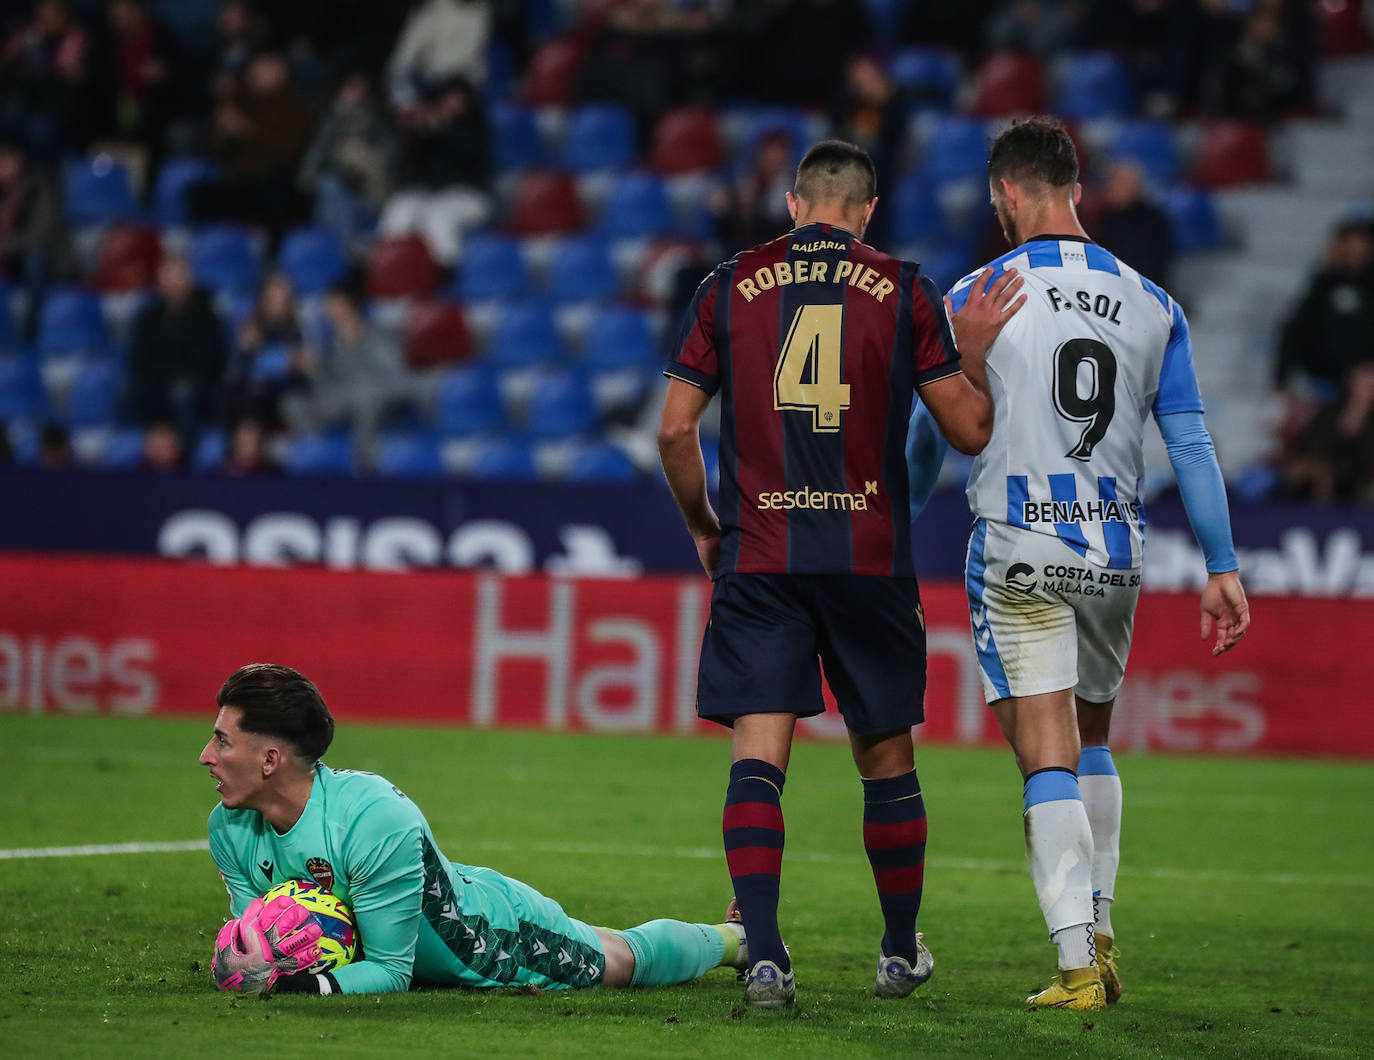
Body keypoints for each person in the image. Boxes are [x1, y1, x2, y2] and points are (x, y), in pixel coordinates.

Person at [657, 139, 1023, 1009]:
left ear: (792, 204)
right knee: (886, 760)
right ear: (865, 211)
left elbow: (674, 431)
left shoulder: (727, 284)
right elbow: (970, 431)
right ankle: (899, 951)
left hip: (764, 553)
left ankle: (767, 953)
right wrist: (970, 353)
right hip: (869, 556)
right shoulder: (904, 287)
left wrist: (708, 527)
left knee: (759, 756)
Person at [905, 117, 1251, 1011]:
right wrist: (1221, 562)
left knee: (1044, 752)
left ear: (1008, 196)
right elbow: (1191, 440)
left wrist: (892, 534)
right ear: (1077, 190)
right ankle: (1099, 925)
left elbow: (925, 441)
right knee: (1093, 739)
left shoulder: (975, 294)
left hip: (1020, 549)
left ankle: (1074, 965)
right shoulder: (1153, 302)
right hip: (1114, 554)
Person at [201, 663, 750, 996]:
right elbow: (256, 936)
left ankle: (736, 941)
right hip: (422, 941)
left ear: (270, 758)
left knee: (619, 961)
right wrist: (251, 963)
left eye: (223, 740)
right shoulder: (229, 826)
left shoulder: (371, 819)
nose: (207, 756)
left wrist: (304, 985)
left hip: (483, 936)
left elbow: (392, 971)